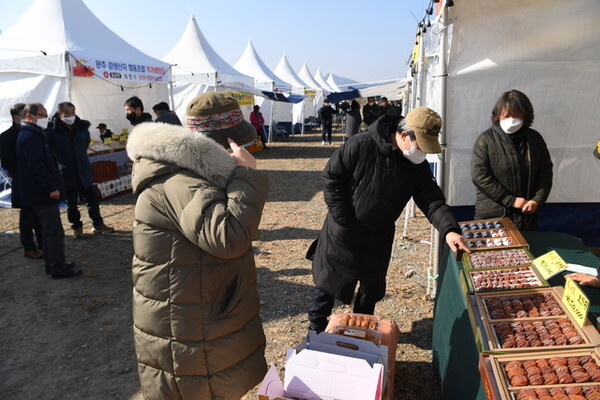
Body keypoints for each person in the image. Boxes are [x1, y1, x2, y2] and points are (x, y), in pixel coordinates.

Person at [126, 92, 269, 400]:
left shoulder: (191, 174)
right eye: (238, 143)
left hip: (196, 309)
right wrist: (248, 177)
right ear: (222, 143)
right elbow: (229, 238)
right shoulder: (181, 183)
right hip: (189, 324)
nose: (243, 149)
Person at [306, 107, 469, 332]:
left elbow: (432, 201)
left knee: (369, 291)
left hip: (378, 235)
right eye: (420, 145)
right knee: (327, 284)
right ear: (404, 135)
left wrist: (449, 229)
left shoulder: (416, 166)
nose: (422, 153)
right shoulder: (361, 144)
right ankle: (314, 333)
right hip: (343, 231)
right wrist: (344, 218)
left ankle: (358, 335)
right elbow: (332, 178)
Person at [16, 102, 82, 279]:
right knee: (54, 232)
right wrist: (51, 187)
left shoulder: (34, 134)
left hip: (40, 192)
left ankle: (52, 263)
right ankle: (57, 267)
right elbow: (36, 166)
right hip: (41, 193)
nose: (45, 118)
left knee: (47, 231)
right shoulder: (29, 137)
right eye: (42, 115)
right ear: (30, 116)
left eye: (46, 115)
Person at [471, 90, 553, 230]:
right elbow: (479, 176)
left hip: (526, 218)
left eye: (517, 115)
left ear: (526, 116)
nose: (511, 120)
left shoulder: (535, 139)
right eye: (507, 115)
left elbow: (545, 173)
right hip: (493, 218)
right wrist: (510, 200)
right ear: (498, 116)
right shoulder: (486, 140)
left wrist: (537, 200)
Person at [46, 102, 114, 238]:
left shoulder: (82, 127)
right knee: (71, 203)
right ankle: (77, 227)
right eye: (67, 113)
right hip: (65, 171)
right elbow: (49, 151)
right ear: (60, 115)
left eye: (73, 112)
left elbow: (85, 143)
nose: (71, 116)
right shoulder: (52, 131)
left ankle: (98, 224)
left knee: (92, 199)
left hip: (83, 169)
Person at [0, 103, 43, 259]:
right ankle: (28, 247)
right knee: (27, 217)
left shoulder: (34, 132)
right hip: (23, 183)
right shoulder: (6, 137)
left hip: (38, 181)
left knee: (40, 215)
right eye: (23, 115)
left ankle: (43, 243)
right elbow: (7, 163)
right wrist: (25, 174)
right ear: (15, 117)